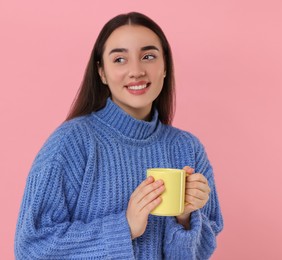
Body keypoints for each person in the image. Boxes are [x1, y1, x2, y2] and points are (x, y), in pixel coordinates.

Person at [14, 12, 223, 259]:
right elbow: (31, 248)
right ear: (101, 72)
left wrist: (185, 219)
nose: (136, 71)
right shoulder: (71, 143)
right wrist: (125, 228)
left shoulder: (187, 148)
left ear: (165, 66)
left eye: (148, 56)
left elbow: (198, 253)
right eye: (120, 59)